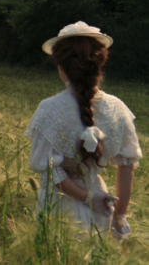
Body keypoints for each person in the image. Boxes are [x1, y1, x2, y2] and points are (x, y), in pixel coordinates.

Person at [25, 21, 143, 238]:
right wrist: (120, 215)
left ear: (61, 68)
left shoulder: (49, 109)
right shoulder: (118, 109)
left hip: (58, 206)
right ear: (99, 65)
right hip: (102, 203)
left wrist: (85, 197)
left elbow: (50, 170)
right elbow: (127, 166)